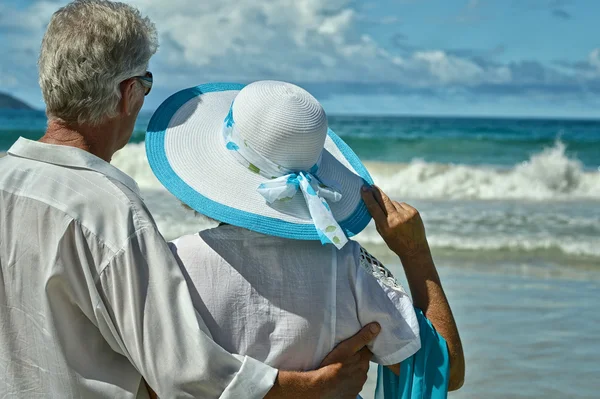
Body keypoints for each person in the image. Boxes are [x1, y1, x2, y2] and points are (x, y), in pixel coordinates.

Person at [0, 1, 380, 398]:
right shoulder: (108, 210)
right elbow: (184, 374)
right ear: (129, 93)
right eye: (145, 82)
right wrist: (312, 386)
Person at [145, 80, 465, 395]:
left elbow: (156, 382)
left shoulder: (173, 263)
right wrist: (416, 254)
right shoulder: (350, 268)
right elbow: (445, 372)